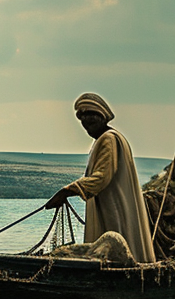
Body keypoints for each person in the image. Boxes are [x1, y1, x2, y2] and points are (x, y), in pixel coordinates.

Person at [44, 93, 155, 265]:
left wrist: (66, 191)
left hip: (115, 209)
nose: (87, 121)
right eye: (83, 118)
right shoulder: (106, 139)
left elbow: (101, 178)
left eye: (92, 116)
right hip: (114, 206)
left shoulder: (108, 139)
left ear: (102, 116)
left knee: (117, 247)